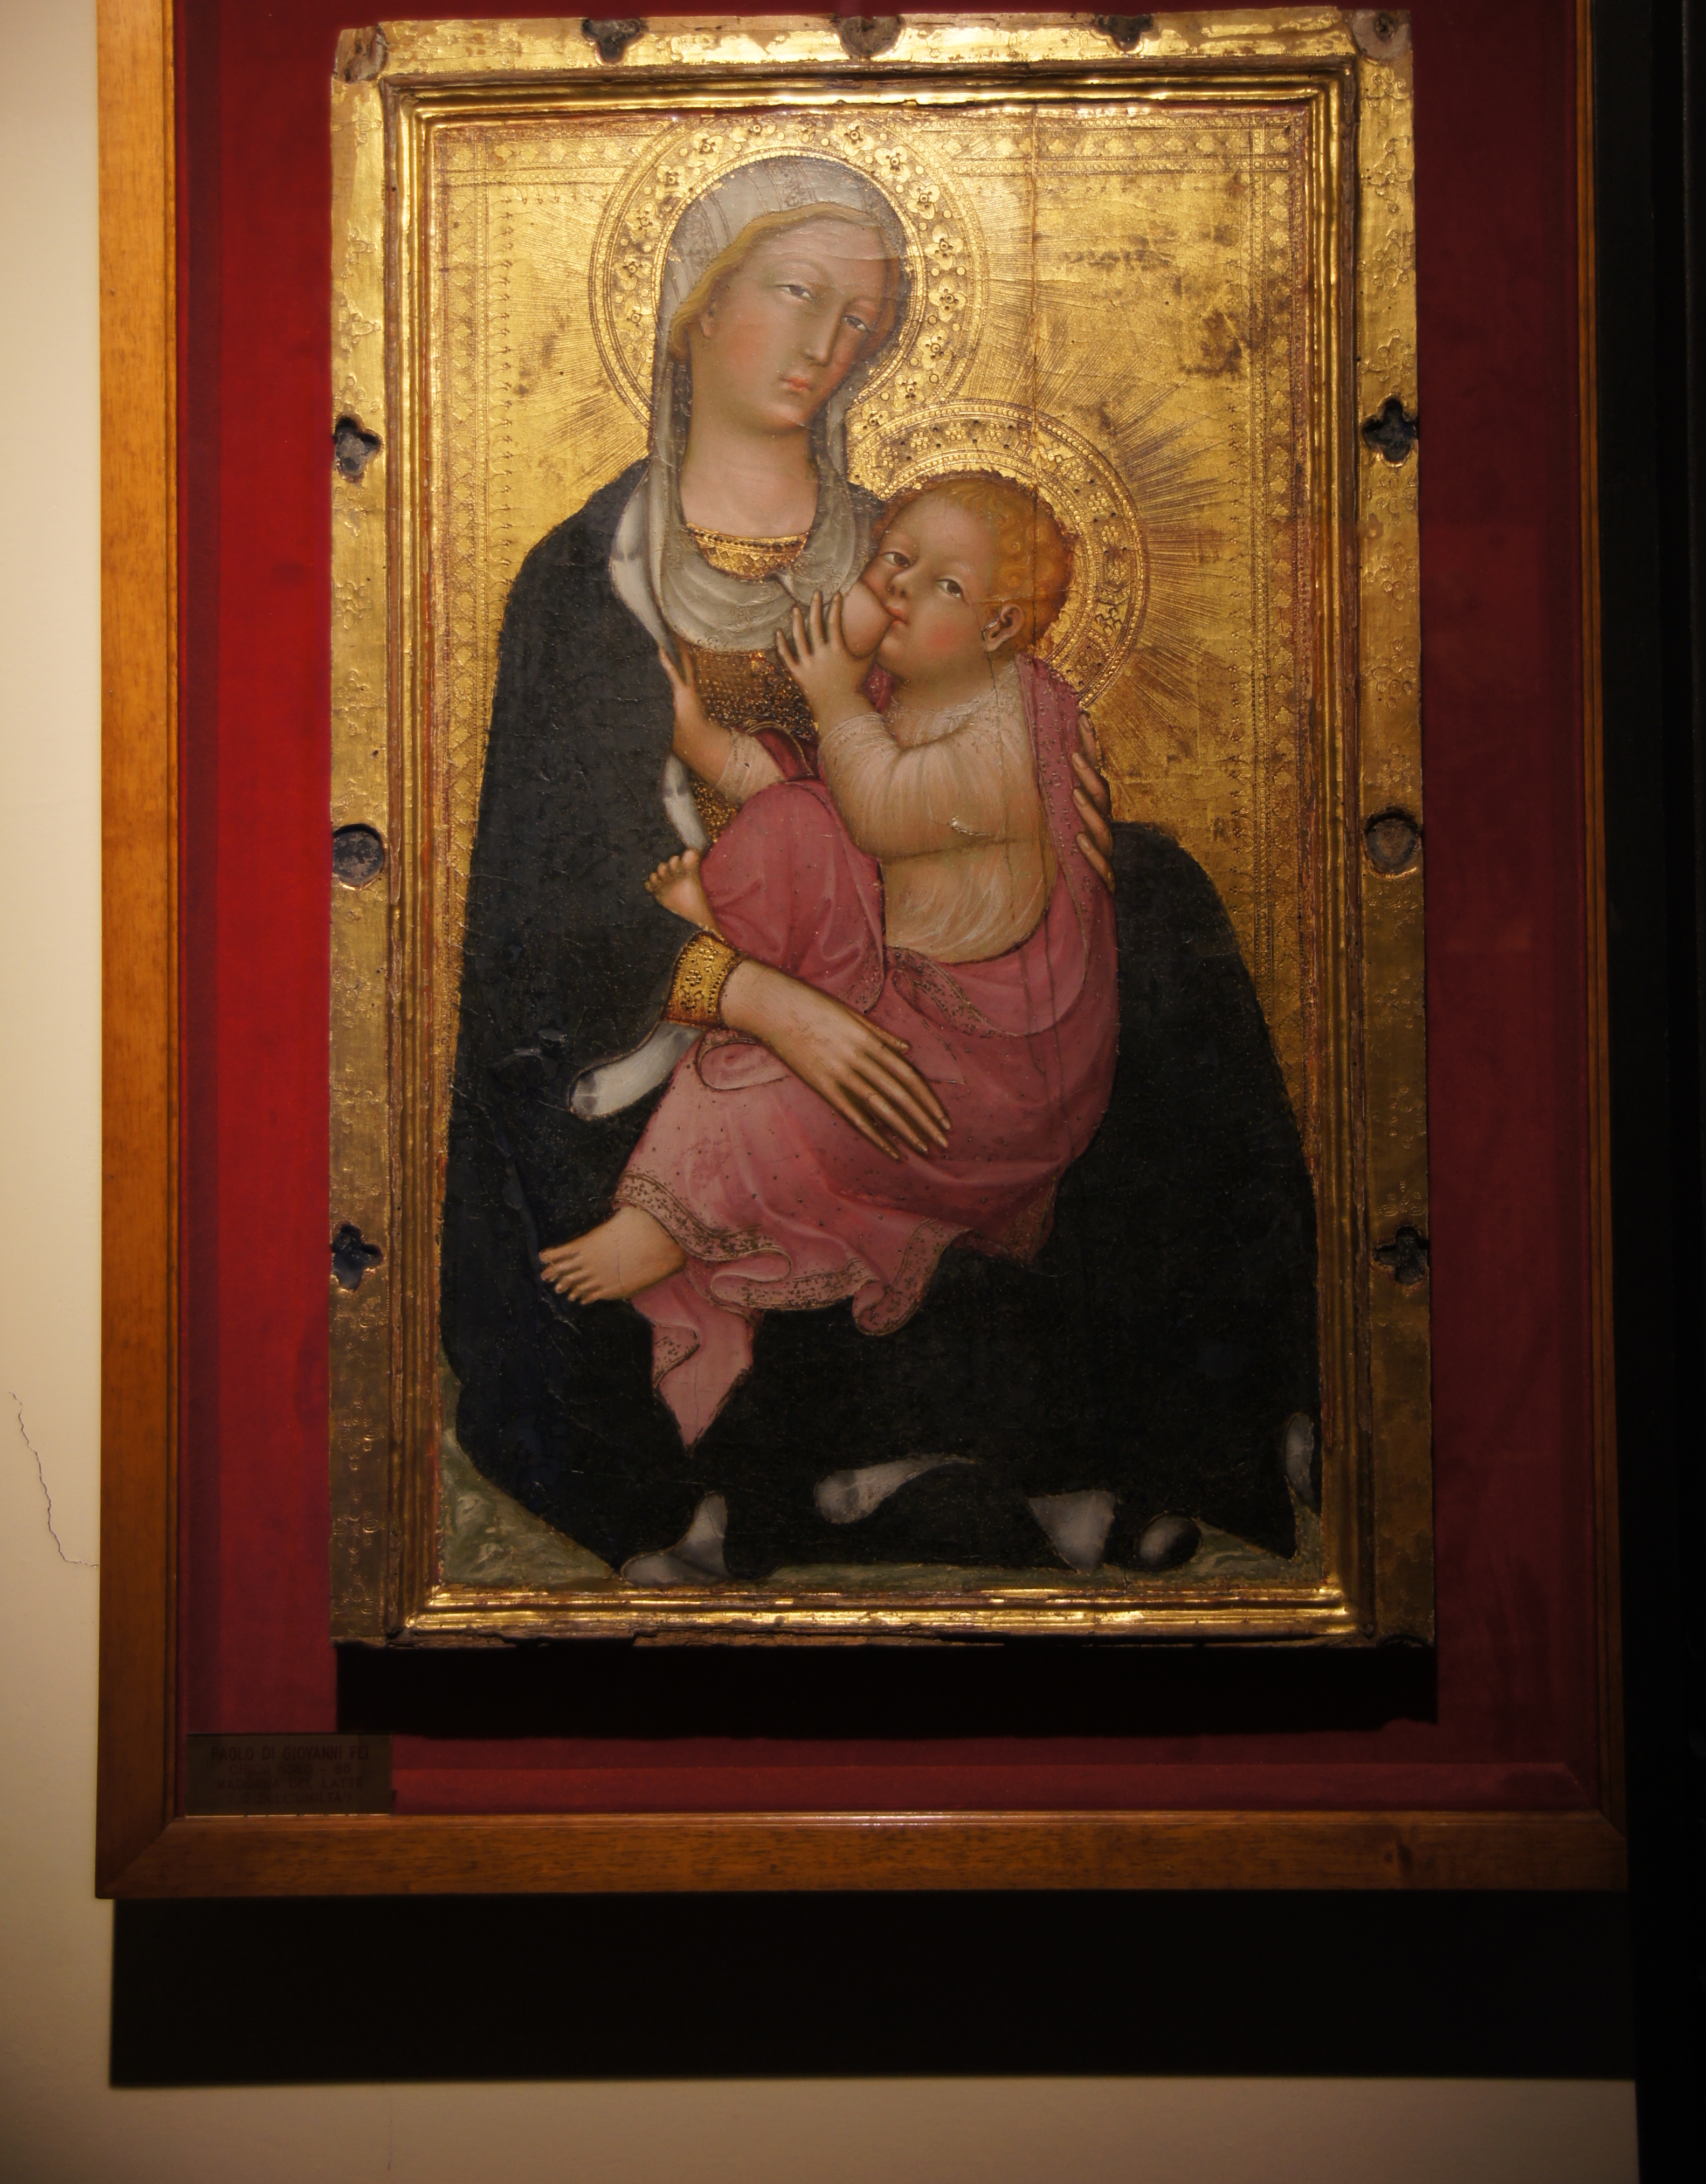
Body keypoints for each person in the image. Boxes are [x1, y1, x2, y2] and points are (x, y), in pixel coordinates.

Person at [440, 152, 1318, 1583]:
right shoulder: (593, 576)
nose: (825, 344)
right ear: (694, 304)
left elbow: (964, 769)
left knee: (1160, 906)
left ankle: (1212, 1413)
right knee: (696, 1142)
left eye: (860, 317)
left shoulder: (903, 550)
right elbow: (545, 910)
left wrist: (1049, 821)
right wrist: (778, 1004)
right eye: (795, 293)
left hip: (913, 958)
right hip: (677, 1003)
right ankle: (850, 1476)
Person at [535, 474, 1118, 1453]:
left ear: (1000, 625)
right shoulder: (913, 692)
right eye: (895, 558)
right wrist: (700, 736)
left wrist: (832, 691)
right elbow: (815, 796)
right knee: (799, 821)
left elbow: (877, 811)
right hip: (907, 993)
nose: (899, 589)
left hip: (986, 1072)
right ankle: (720, 963)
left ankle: (665, 1226)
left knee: (762, 1087)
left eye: (942, 584)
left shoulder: (1009, 736)